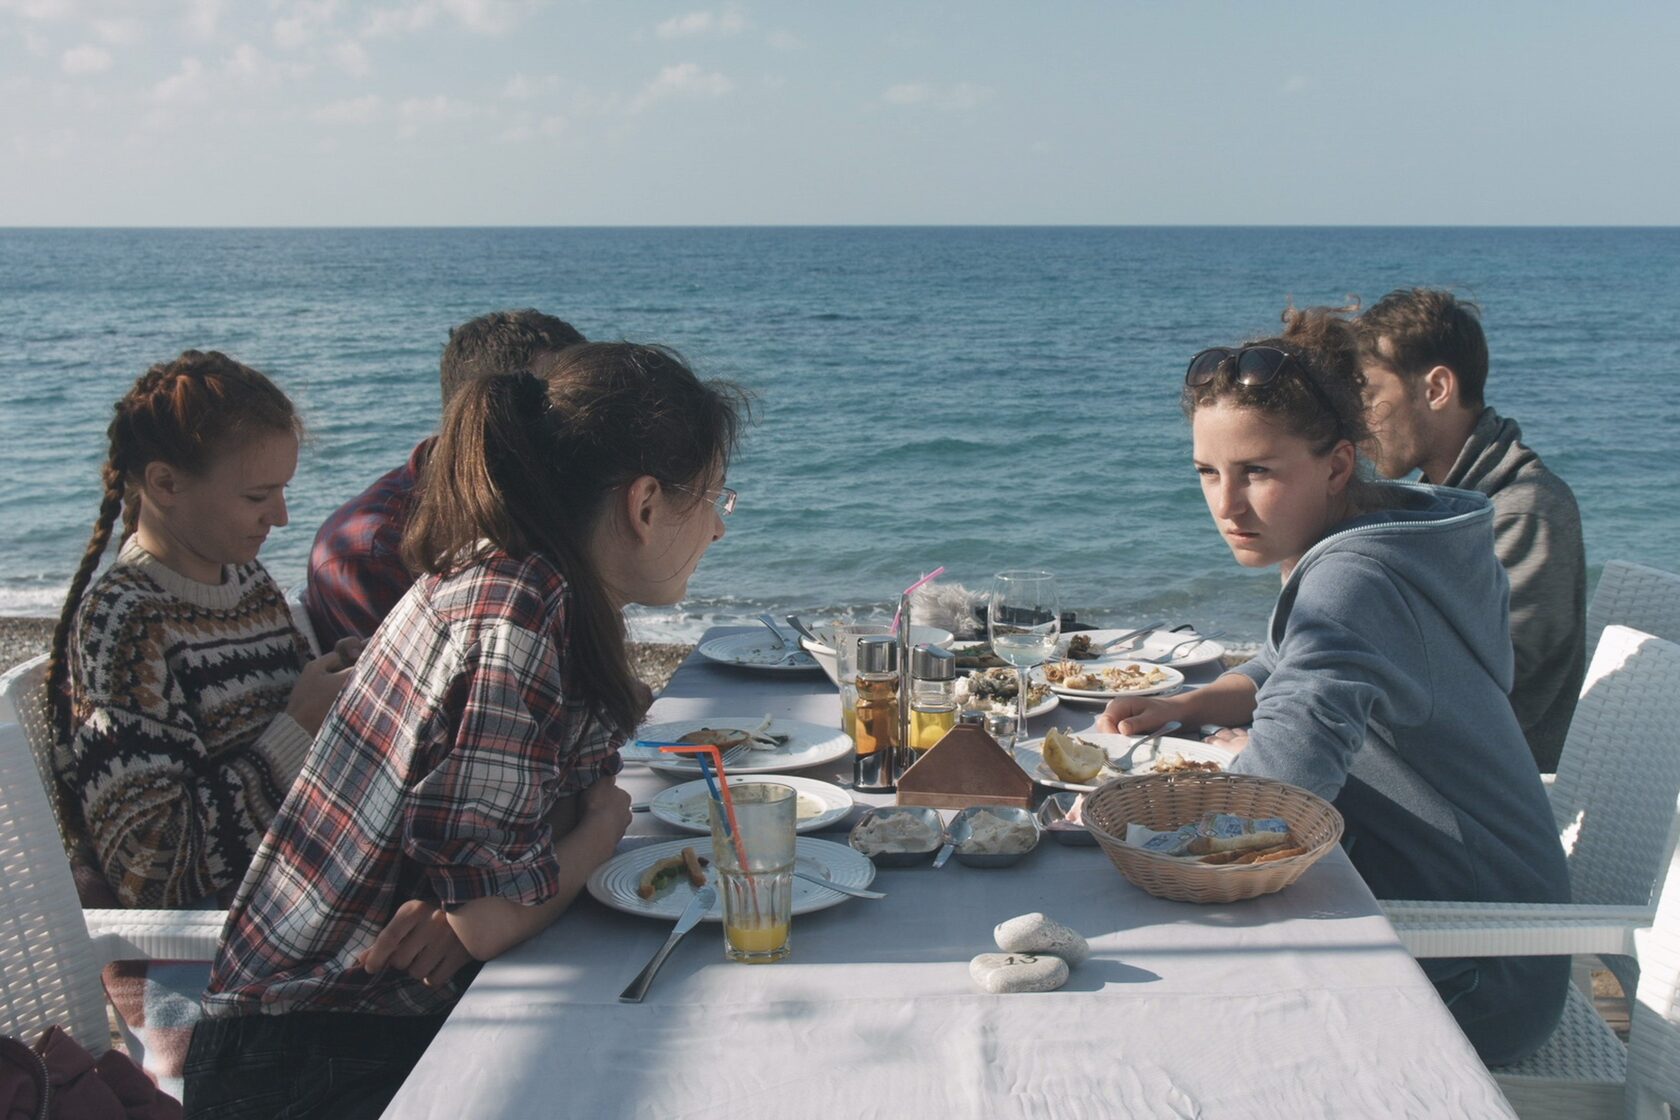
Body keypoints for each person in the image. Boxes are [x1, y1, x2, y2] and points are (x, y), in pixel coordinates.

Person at [188, 343, 747, 1120]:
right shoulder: (518, 609)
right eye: (715, 498)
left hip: (359, 1015)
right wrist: (598, 833)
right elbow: (491, 916)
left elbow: (533, 836)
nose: (718, 529)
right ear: (645, 505)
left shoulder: (534, 580)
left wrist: (507, 877)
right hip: (301, 1055)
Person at [1096, 310, 1570, 1067]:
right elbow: (1288, 664)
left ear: (1339, 465)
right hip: (1473, 923)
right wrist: (1189, 705)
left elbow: (1268, 811)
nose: (1226, 505)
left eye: (1258, 472)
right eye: (1208, 473)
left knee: (1146, 1010)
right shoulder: (1396, 536)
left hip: (1473, 967)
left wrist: (1111, 830)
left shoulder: (1353, 578)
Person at [44, 349, 355, 1096]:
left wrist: (351, 679)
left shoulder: (242, 578)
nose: (281, 517)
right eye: (257, 495)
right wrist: (296, 727)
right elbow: (153, 868)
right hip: (210, 987)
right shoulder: (127, 623)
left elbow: (289, 726)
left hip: (298, 925)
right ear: (165, 484)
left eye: (283, 491)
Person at [1355, 289, 1586, 772]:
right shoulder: (1436, 503)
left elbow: (1492, 695)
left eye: (1369, 396)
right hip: (1428, 760)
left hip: (1488, 788)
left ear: (1437, 389)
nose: (1359, 424)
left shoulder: (1524, 512)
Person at [303, 308, 586, 650]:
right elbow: (423, 683)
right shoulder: (371, 550)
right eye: (557, 412)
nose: (580, 432)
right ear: (483, 413)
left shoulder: (555, 500)